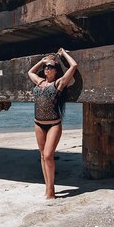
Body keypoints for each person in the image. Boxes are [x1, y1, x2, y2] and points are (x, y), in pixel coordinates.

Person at [28, 48, 78, 199]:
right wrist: (41, 62)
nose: (47, 69)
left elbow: (74, 66)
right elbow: (30, 72)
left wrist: (63, 54)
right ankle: (48, 189)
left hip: (53, 125)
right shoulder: (39, 82)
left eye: (50, 67)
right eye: (46, 67)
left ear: (56, 70)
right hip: (38, 124)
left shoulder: (59, 84)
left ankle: (51, 189)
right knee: (43, 156)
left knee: (49, 155)